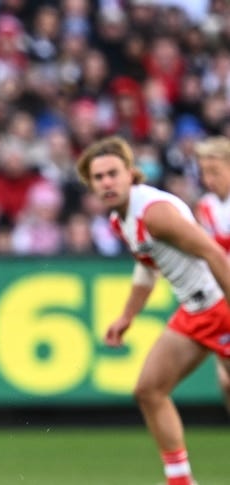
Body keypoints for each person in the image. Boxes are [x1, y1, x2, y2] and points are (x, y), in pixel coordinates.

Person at [76, 135, 230, 485]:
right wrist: (127, 317)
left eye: (113, 173)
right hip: (195, 311)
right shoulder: (121, 219)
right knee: (149, 390)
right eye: (98, 178)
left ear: (131, 174)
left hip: (220, 306)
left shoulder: (155, 214)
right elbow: (148, 267)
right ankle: (180, 480)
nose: (106, 183)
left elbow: (214, 254)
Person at [193, 135, 230, 415]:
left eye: (215, 171)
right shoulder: (205, 206)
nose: (209, 179)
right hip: (222, 299)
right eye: (204, 172)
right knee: (226, 383)